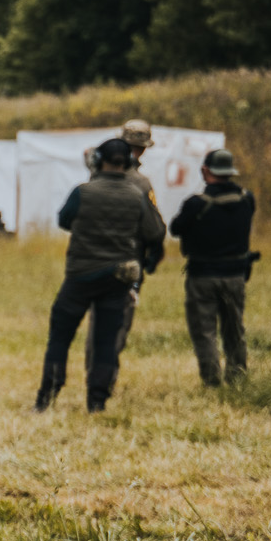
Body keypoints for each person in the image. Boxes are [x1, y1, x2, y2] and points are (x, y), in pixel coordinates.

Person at [35, 137, 165, 413]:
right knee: (106, 341)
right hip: (116, 279)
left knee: (60, 337)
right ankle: (96, 402)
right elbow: (155, 232)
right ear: (128, 163)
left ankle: (47, 396)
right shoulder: (136, 195)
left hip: (80, 276)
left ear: (97, 161)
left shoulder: (83, 192)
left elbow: (64, 220)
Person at [170, 148, 257, 387]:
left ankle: (211, 380)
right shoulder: (247, 199)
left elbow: (176, 228)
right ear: (230, 172)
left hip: (202, 276)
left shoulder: (196, 203)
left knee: (204, 330)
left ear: (205, 171)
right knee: (235, 328)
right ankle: (237, 376)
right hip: (236, 275)